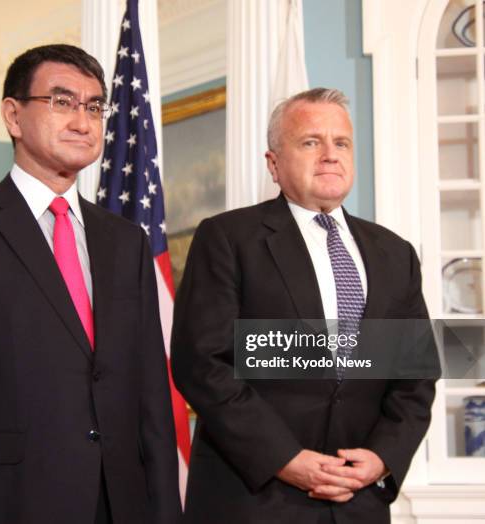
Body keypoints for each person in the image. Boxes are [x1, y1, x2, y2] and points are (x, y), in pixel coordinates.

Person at [0, 44, 180, 524]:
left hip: (123, 504)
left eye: (95, 106)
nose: (82, 121)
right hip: (10, 503)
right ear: (13, 115)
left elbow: (151, 395)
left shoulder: (126, 241)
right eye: (62, 101)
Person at [171, 88, 436, 524]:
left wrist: (381, 458)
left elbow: (416, 376)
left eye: (341, 143)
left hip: (358, 501)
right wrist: (285, 459)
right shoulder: (228, 239)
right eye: (311, 142)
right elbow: (203, 364)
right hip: (255, 498)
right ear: (274, 164)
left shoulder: (396, 253)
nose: (330, 155)